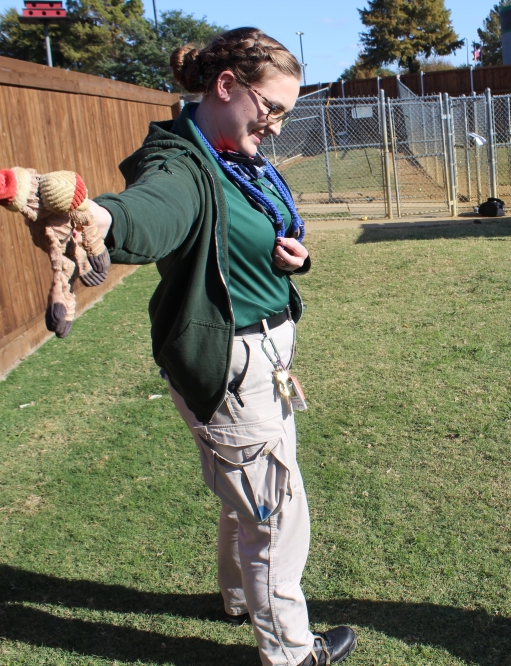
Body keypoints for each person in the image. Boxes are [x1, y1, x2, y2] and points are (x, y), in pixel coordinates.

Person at [82, 27, 357, 666]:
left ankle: (238, 598)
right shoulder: (181, 160)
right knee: (275, 514)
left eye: (288, 113)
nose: (280, 128)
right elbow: (158, 209)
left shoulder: (235, 151)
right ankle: (290, 652)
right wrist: (104, 221)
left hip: (267, 358)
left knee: (250, 496)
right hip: (231, 365)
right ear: (226, 86)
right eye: (273, 110)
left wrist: (296, 259)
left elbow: (259, 226)